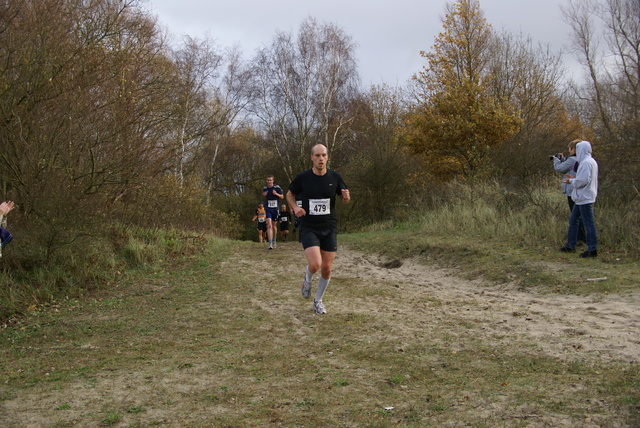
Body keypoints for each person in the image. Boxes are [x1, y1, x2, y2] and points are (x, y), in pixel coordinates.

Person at [286, 144, 350, 314]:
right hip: (309, 227)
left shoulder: (335, 177)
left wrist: (346, 198)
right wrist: (295, 208)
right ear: (312, 158)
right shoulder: (303, 178)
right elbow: (289, 194)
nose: (321, 159)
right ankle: (307, 278)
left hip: (329, 226)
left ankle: (318, 301)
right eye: (317, 156)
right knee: (315, 265)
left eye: (324, 155)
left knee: (327, 269)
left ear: (327, 157)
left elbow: (344, 199)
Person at [560, 140, 598, 258]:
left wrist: (571, 181)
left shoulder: (586, 162)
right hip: (581, 197)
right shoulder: (590, 161)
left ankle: (592, 249)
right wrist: (575, 178)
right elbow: (584, 178)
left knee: (588, 224)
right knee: (573, 221)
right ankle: (570, 245)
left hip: (584, 197)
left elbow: (583, 181)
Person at [552, 139, 586, 244]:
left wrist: (556, 159)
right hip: (580, 190)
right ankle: (581, 237)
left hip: (572, 190)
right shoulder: (582, 159)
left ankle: (580, 238)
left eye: (570, 149)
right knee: (580, 215)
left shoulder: (573, 160)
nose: (569, 152)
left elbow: (559, 169)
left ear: (574, 149)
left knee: (575, 216)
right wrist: (563, 159)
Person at [263, 175, 284, 250]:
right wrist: (264, 194)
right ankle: (270, 243)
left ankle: (274, 239)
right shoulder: (265, 188)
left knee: (274, 226)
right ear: (266, 181)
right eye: (268, 180)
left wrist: (276, 194)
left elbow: (282, 196)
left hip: (275, 208)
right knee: (269, 225)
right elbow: (264, 194)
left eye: (270, 180)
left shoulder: (277, 187)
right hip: (268, 208)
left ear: (273, 181)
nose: (269, 181)